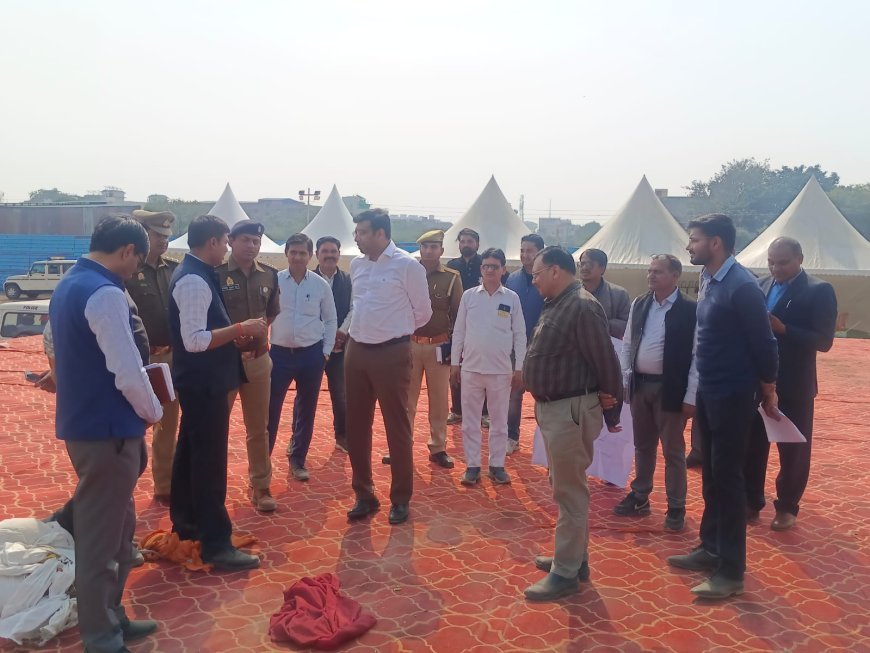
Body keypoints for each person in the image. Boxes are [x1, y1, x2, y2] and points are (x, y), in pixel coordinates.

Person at [50, 215, 163, 652]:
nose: (136, 270)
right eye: (138, 260)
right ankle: (100, 635)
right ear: (127, 251)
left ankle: (113, 616)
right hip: (108, 431)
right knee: (100, 540)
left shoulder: (70, 283)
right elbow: (128, 372)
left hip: (91, 427)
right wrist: (153, 411)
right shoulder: (105, 293)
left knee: (119, 530)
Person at [667, 214, 779, 600]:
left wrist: (768, 388)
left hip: (734, 395)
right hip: (709, 391)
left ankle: (731, 570)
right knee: (712, 475)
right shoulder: (709, 278)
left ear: (716, 243)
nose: (688, 246)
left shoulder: (742, 286)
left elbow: (764, 343)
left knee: (729, 480)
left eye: (694, 240)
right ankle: (711, 546)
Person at [521, 246, 623, 602]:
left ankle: (565, 573)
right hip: (555, 409)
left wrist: (612, 411)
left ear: (555, 271)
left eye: (536, 274)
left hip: (570, 410)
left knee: (570, 492)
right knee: (563, 486)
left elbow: (606, 362)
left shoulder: (581, 306)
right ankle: (574, 558)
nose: (533, 281)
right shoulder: (558, 303)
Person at [168, 214, 266, 571]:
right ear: (212, 242)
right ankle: (215, 543)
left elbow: (202, 332)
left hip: (201, 381)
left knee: (191, 455)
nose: (226, 247)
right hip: (204, 383)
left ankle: (188, 524)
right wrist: (240, 328)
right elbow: (195, 340)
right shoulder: (194, 280)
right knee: (209, 463)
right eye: (225, 241)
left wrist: (228, 336)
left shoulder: (197, 273)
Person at [344, 209, 432, 525]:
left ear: (381, 233)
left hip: (392, 352)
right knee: (356, 425)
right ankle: (364, 494)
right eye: (356, 231)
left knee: (396, 426)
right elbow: (357, 306)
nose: (356, 237)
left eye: (362, 232)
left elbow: (423, 313)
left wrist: (394, 329)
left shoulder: (407, 266)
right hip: (357, 350)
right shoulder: (356, 265)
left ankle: (400, 498)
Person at [744, 237, 837, 531]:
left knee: (793, 448)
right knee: (753, 444)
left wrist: (785, 329)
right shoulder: (759, 285)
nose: (776, 268)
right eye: (771, 262)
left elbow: (824, 341)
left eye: (783, 263)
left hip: (794, 384)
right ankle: (751, 500)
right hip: (758, 381)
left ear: (800, 259)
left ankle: (787, 506)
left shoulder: (818, 290)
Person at [613, 254, 697, 532]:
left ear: (675, 276)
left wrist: (691, 396)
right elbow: (628, 343)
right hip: (640, 386)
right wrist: (625, 380)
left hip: (670, 389)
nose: (651, 275)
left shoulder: (690, 309)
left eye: (658, 271)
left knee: (673, 450)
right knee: (643, 445)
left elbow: (697, 356)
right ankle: (640, 496)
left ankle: (676, 506)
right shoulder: (640, 303)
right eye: (650, 271)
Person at [217, 221, 280, 511]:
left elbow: (271, 313)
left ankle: (261, 486)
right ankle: (212, 486)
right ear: (230, 241)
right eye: (245, 240)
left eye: (256, 241)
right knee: (217, 427)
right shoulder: (215, 274)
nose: (251, 246)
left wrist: (256, 332)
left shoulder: (269, 274)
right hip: (224, 361)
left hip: (258, 361)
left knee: (259, 428)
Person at [451, 248, 525, 485]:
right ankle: (472, 466)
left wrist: (519, 367)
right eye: (486, 266)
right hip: (471, 369)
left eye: (495, 266)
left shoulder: (511, 298)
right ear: (481, 269)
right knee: (470, 422)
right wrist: (454, 363)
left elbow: (520, 334)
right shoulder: (469, 296)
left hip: (501, 371)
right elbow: (459, 331)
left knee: (499, 422)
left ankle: (497, 465)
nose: (490, 270)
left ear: (503, 270)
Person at [268, 233, 337, 481]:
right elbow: (262, 316)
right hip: (278, 355)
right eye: (293, 252)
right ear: (286, 253)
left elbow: (330, 320)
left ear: (310, 256)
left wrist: (325, 352)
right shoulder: (274, 281)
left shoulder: (320, 285)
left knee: (307, 409)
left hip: (311, 355)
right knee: (270, 409)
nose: (298, 257)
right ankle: (262, 463)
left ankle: (298, 459)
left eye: (303, 253)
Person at [126, 209, 179, 503]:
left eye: (166, 235)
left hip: (172, 358)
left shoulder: (174, 269)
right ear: (143, 233)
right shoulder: (129, 271)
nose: (163, 240)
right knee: (134, 423)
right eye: (158, 234)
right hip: (139, 360)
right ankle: (124, 484)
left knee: (167, 424)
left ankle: (165, 484)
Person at [408, 230, 463, 469]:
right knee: (405, 399)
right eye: (425, 246)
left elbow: (459, 316)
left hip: (439, 346)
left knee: (439, 401)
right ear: (420, 249)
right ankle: (402, 444)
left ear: (441, 250)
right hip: (410, 344)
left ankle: (438, 447)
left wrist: (455, 348)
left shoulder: (451, 278)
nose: (429, 251)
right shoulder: (409, 273)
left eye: (434, 247)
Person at [504, 234, 545, 454]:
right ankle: (511, 436)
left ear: (540, 253)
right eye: (522, 250)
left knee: (544, 397)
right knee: (513, 393)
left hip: (543, 348)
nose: (524, 255)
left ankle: (545, 445)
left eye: (529, 251)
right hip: (515, 347)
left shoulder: (549, 280)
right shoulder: (512, 280)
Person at [314, 236, 353, 454]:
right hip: (313, 347)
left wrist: (342, 331)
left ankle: (343, 436)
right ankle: (298, 439)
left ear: (339, 254)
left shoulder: (348, 280)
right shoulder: (308, 279)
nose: (329, 255)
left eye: (333, 251)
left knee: (341, 394)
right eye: (325, 251)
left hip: (339, 347)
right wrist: (326, 333)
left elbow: (354, 307)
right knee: (306, 396)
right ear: (317, 254)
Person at [446, 228, 483, 425]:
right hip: (457, 324)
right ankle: (457, 410)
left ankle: (484, 412)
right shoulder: (452, 266)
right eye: (462, 241)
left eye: (470, 241)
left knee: (482, 366)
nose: (466, 245)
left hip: (482, 325)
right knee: (456, 366)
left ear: (477, 244)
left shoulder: (485, 264)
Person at [578, 248, 631, 338]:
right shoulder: (569, 292)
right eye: (582, 264)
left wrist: (600, 323)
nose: (584, 268)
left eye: (589, 264)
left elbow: (628, 324)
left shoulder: (619, 294)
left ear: (602, 269)